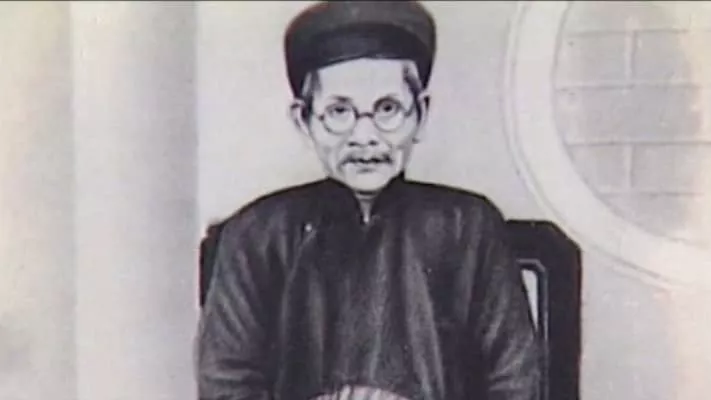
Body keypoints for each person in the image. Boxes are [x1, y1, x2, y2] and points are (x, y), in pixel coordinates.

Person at [197, 1, 541, 399]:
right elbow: (225, 383)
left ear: (420, 114)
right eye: (339, 111)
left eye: (388, 109)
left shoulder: (469, 227)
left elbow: (514, 380)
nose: (365, 137)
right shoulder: (255, 236)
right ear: (303, 121)